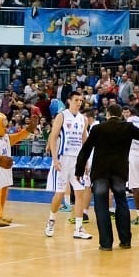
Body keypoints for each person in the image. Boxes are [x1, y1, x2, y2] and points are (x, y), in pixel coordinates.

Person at [75, 104, 139, 251]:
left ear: (107, 114)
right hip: (119, 172)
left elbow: (85, 150)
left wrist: (79, 170)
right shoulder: (127, 127)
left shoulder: (97, 129)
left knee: (101, 206)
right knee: (121, 202)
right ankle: (125, 241)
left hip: (100, 172)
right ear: (120, 115)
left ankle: (106, 244)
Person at [45, 90, 92, 240]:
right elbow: (52, 137)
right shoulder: (62, 116)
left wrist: (85, 160)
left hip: (77, 160)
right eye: (77, 100)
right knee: (59, 194)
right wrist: (54, 158)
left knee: (79, 193)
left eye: (81, 100)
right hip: (62, 159)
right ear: (69, 101)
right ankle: (51, 220)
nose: (79, 102)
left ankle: (78, 228)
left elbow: (85, 141)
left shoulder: (83, 119)